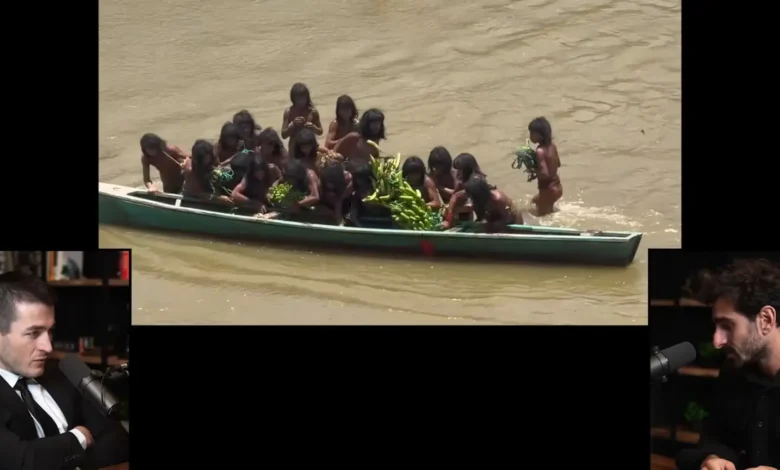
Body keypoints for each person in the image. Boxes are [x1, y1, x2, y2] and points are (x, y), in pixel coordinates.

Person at [0, 272, 129, 470]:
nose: (48, 347)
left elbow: (118, 440)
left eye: (50, 331)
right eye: (33, 333)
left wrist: (62, 460)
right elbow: (21, 462)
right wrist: (79, 437)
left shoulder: (62, 372)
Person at [676, 259, 780, 470]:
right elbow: (715, 438)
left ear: (766, 320)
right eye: (716, 327)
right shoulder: (734, 373)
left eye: (728, 326)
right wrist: (711, 458)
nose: (717, 341)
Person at [442, 177, 522, 232]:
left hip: (512, 217)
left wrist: (486, 226)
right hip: (491, 214)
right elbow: (455, 197)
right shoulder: (474, 192)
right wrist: (448, 220)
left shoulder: (498, 200)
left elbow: (506, 222)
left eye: (472, 197)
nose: (469, 198)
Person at [528, 117, 562, 216]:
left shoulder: (539, 151)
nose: (530, 136)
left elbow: (544, 174)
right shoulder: (553, 146)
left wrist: (533, 170)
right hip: (558, 187)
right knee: (536, 202)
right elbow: (558, 164)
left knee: (540, 215)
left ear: (540, 135)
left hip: (547, 190)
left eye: (531, 133)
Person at [281, 83, 323, 156]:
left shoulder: (312, 112)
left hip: (310, 148)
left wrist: (313, 127)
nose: (300, 101)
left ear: (307, 98)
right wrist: (292, 125)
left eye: (303, 98)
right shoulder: (289, 112)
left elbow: (320, 131)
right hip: (294, 149)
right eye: (297, 99)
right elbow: (283, 135)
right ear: (293, 99)